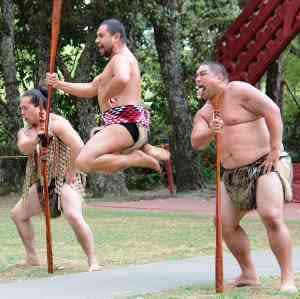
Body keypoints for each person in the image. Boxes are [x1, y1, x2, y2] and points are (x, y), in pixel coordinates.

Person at [191, 61, 297, 293]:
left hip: (265, 163)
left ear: (220, 78)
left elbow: (273, 111)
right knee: (224, 225)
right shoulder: (205, 113)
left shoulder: (238, 91)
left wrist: (275, 148)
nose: (197, 79)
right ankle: (249, 274)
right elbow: (197, 142)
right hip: (232, 174)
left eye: (202, 74)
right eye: (195, 75)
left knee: (271, 215)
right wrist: (212, 130)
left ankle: (287, 278)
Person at [47, 18, 169, 175]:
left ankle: (136, 158)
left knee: (84, 161)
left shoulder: (120, 58)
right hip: (126, 124)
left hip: (126, 123)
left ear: (116, 37)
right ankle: (135, 157)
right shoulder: (115, 63)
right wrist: (59, 84)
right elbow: (91, 88)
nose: (97, 40)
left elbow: (122, 78)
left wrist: (106, 95)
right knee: (99, 165)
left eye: (101, 35)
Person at [11, 86, 101, 272]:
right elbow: (24, 147)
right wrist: (38, 138)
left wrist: (71, 171)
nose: (22, 112)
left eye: (25, 108)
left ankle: (93, 261)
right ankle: (32, 258)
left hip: (63, 180)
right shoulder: (26, 132)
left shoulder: (58, 123)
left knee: (74, 216)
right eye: (21, 109)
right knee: (18, 214)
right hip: (42, 183)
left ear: (40, 107)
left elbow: (79, 145)